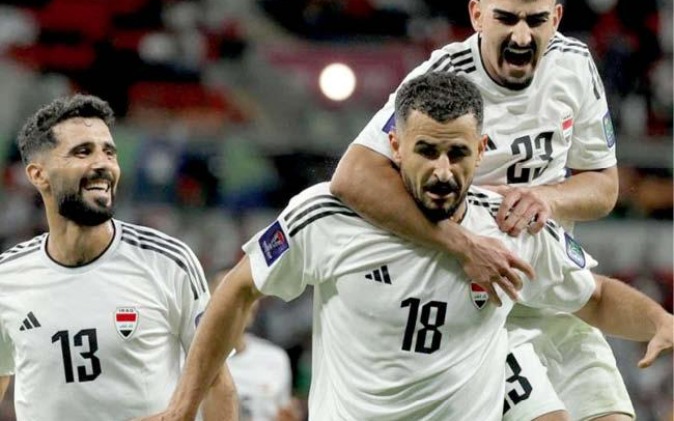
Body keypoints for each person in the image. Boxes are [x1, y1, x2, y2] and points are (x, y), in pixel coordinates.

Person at [140, 72, 672, 421]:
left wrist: (659, 321)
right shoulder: (327, 215)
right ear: (394, 145)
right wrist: (184, 406)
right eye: (426, 151)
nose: (442, 170)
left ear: (482, 150)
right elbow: (238, 289)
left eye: (458, 153)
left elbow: (595, 296)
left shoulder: (511, 226)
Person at [330, 0, 629, 421]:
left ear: (555, 18)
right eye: (505, 18)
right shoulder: (441, 81)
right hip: (472, 302)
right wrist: (462, 243)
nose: (521, 35)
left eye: (535, 20)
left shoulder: (574, 64)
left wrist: (547, 197)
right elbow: (353, 175)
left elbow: (604, 186)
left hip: (551, 289)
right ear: (477, 16)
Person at [0, 94, 236, 420]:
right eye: (83, 152)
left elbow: (217, 383)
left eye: (109, 152)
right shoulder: (7, 278)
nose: (103, 164)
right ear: (38, 175)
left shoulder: (169, 263)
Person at [208, 270, 302, 421]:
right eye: (229, 295)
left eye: (247, 294)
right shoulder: (189, 361)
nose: (241, 303)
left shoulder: (275, 359)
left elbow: (283, 414)